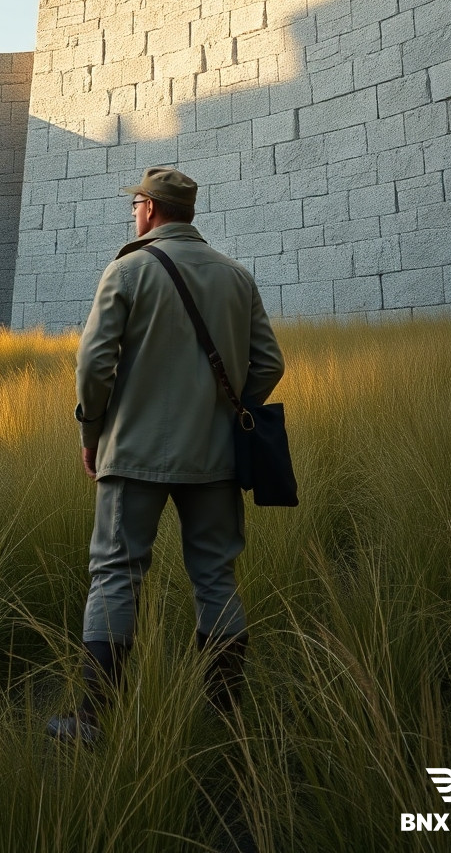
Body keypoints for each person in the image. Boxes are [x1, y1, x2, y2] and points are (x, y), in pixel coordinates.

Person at [46, 165, 285, 743]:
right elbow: (270, 363)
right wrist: (229, 410)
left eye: (136, 204)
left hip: (131, 455)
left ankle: (92, 719)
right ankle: (224, 717)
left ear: (150, 210)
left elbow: (94, 364)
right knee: (215, 579)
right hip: (217, 458)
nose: (135, 213)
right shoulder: (237, 276)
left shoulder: (127, 270)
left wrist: (91, 432)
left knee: (115, 577)